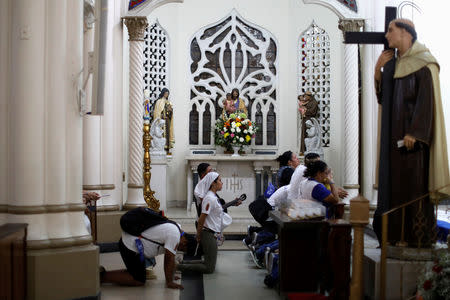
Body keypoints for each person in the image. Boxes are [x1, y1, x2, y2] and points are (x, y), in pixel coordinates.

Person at [372, 19, 450, 247]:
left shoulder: (424, 63)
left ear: (406, 33)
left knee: (413, 189)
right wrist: (378, 70)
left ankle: (416, 238)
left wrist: (415, 133)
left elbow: (427, 103)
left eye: (391, 31)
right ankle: (396, 237)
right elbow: (383, 100)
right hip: (394, 142)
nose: (387, 36)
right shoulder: (396, 65)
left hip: (413, 145)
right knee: (395, 189)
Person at [101, 220, 193, 289]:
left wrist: (171, 276)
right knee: (138, 280)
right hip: (130, 246)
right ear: (185, 242)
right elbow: (169, 258)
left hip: (132, 244)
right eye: (182, 248)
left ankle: (103, 275)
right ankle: (101, 277)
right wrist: (169, 282)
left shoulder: (176, 228)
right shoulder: (175, 235)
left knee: (137, 274)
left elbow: (171, 257)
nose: (180, 249)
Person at [178, 172, 238, 274]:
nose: (222, 183)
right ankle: (178, 267)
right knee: (209, 268)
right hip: (208, 234)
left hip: (212, 233)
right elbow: (202, 218)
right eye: (219, 180)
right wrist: (198, 234)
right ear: (213, 183)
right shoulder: (210, 198)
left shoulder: (213, 197)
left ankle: (182, 263)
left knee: (208, 262)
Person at [153, 88, 174, 154]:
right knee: (161, 134)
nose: (166, 95)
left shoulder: (168, 102)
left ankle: (167, 148)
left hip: (167, 121)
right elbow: (157, 112)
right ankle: (161, 147)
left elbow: (170, 114)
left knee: (167, 134)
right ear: (163, 93)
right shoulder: (159, 102)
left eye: (167, 94)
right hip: (161, 122)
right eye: (165, 93)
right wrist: (161, 117)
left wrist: (170, 111)